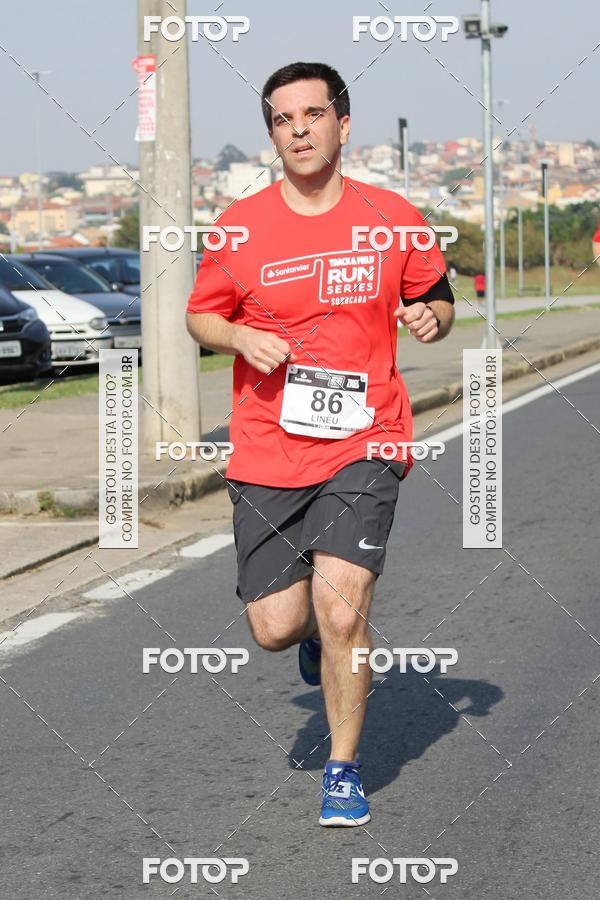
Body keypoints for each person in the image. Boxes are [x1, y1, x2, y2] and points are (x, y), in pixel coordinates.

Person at [186, 62, 455, 827]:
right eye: (282, 119)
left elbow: (433, 294)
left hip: (364, 439)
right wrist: (238, 333)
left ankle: (343, 769)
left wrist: (434, 317)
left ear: (342, 123)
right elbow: (200, 317)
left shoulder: (391, 215)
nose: (298, 129)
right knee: (277, 626)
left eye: (312, 114)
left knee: (343, 612)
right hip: (269, 447)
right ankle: (311, 644)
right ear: (271, 134)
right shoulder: (241, 225)